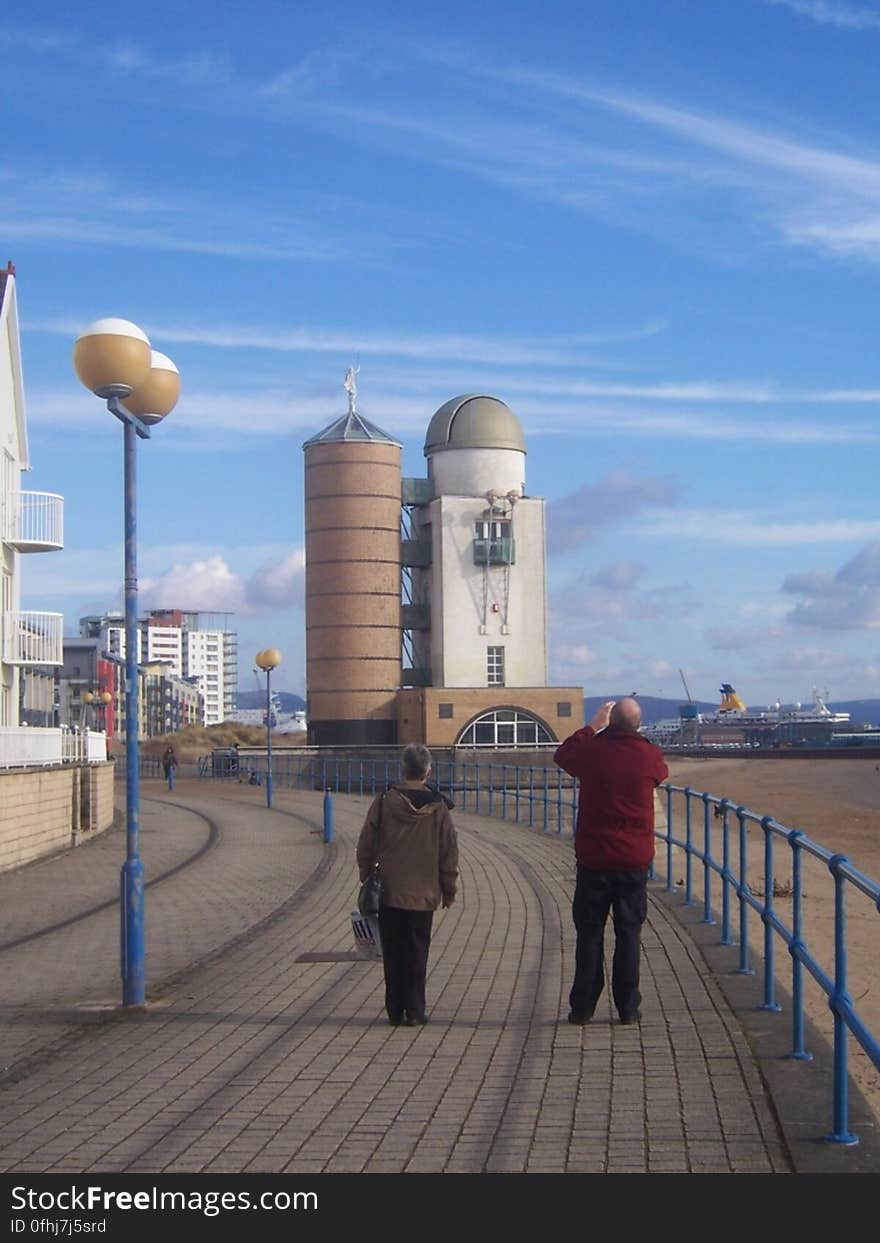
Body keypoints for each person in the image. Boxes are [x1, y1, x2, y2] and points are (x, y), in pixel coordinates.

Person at [554, 698, 668, 1026]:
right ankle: (628, 1006)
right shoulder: (647, 754)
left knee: (589, 934)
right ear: (637, 724)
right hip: (633, 860)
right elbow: (660, 774)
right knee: (629, 934)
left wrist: (592, 726)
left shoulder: (593, 751)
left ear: (610, 721)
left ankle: (583, 1006)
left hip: (594, 858)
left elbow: (562, 755)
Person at [356, 743, 458, 1027]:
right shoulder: (439, 808)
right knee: (417, 952)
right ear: (428, 771)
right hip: (424, 893)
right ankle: (415, 1010)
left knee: (393, 952)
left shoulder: (385, 800)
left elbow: (366, 842)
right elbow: (449, 852)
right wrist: (448, 890)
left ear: (402, 769)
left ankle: (394, 1009)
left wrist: (366, 876)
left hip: (389, 891)